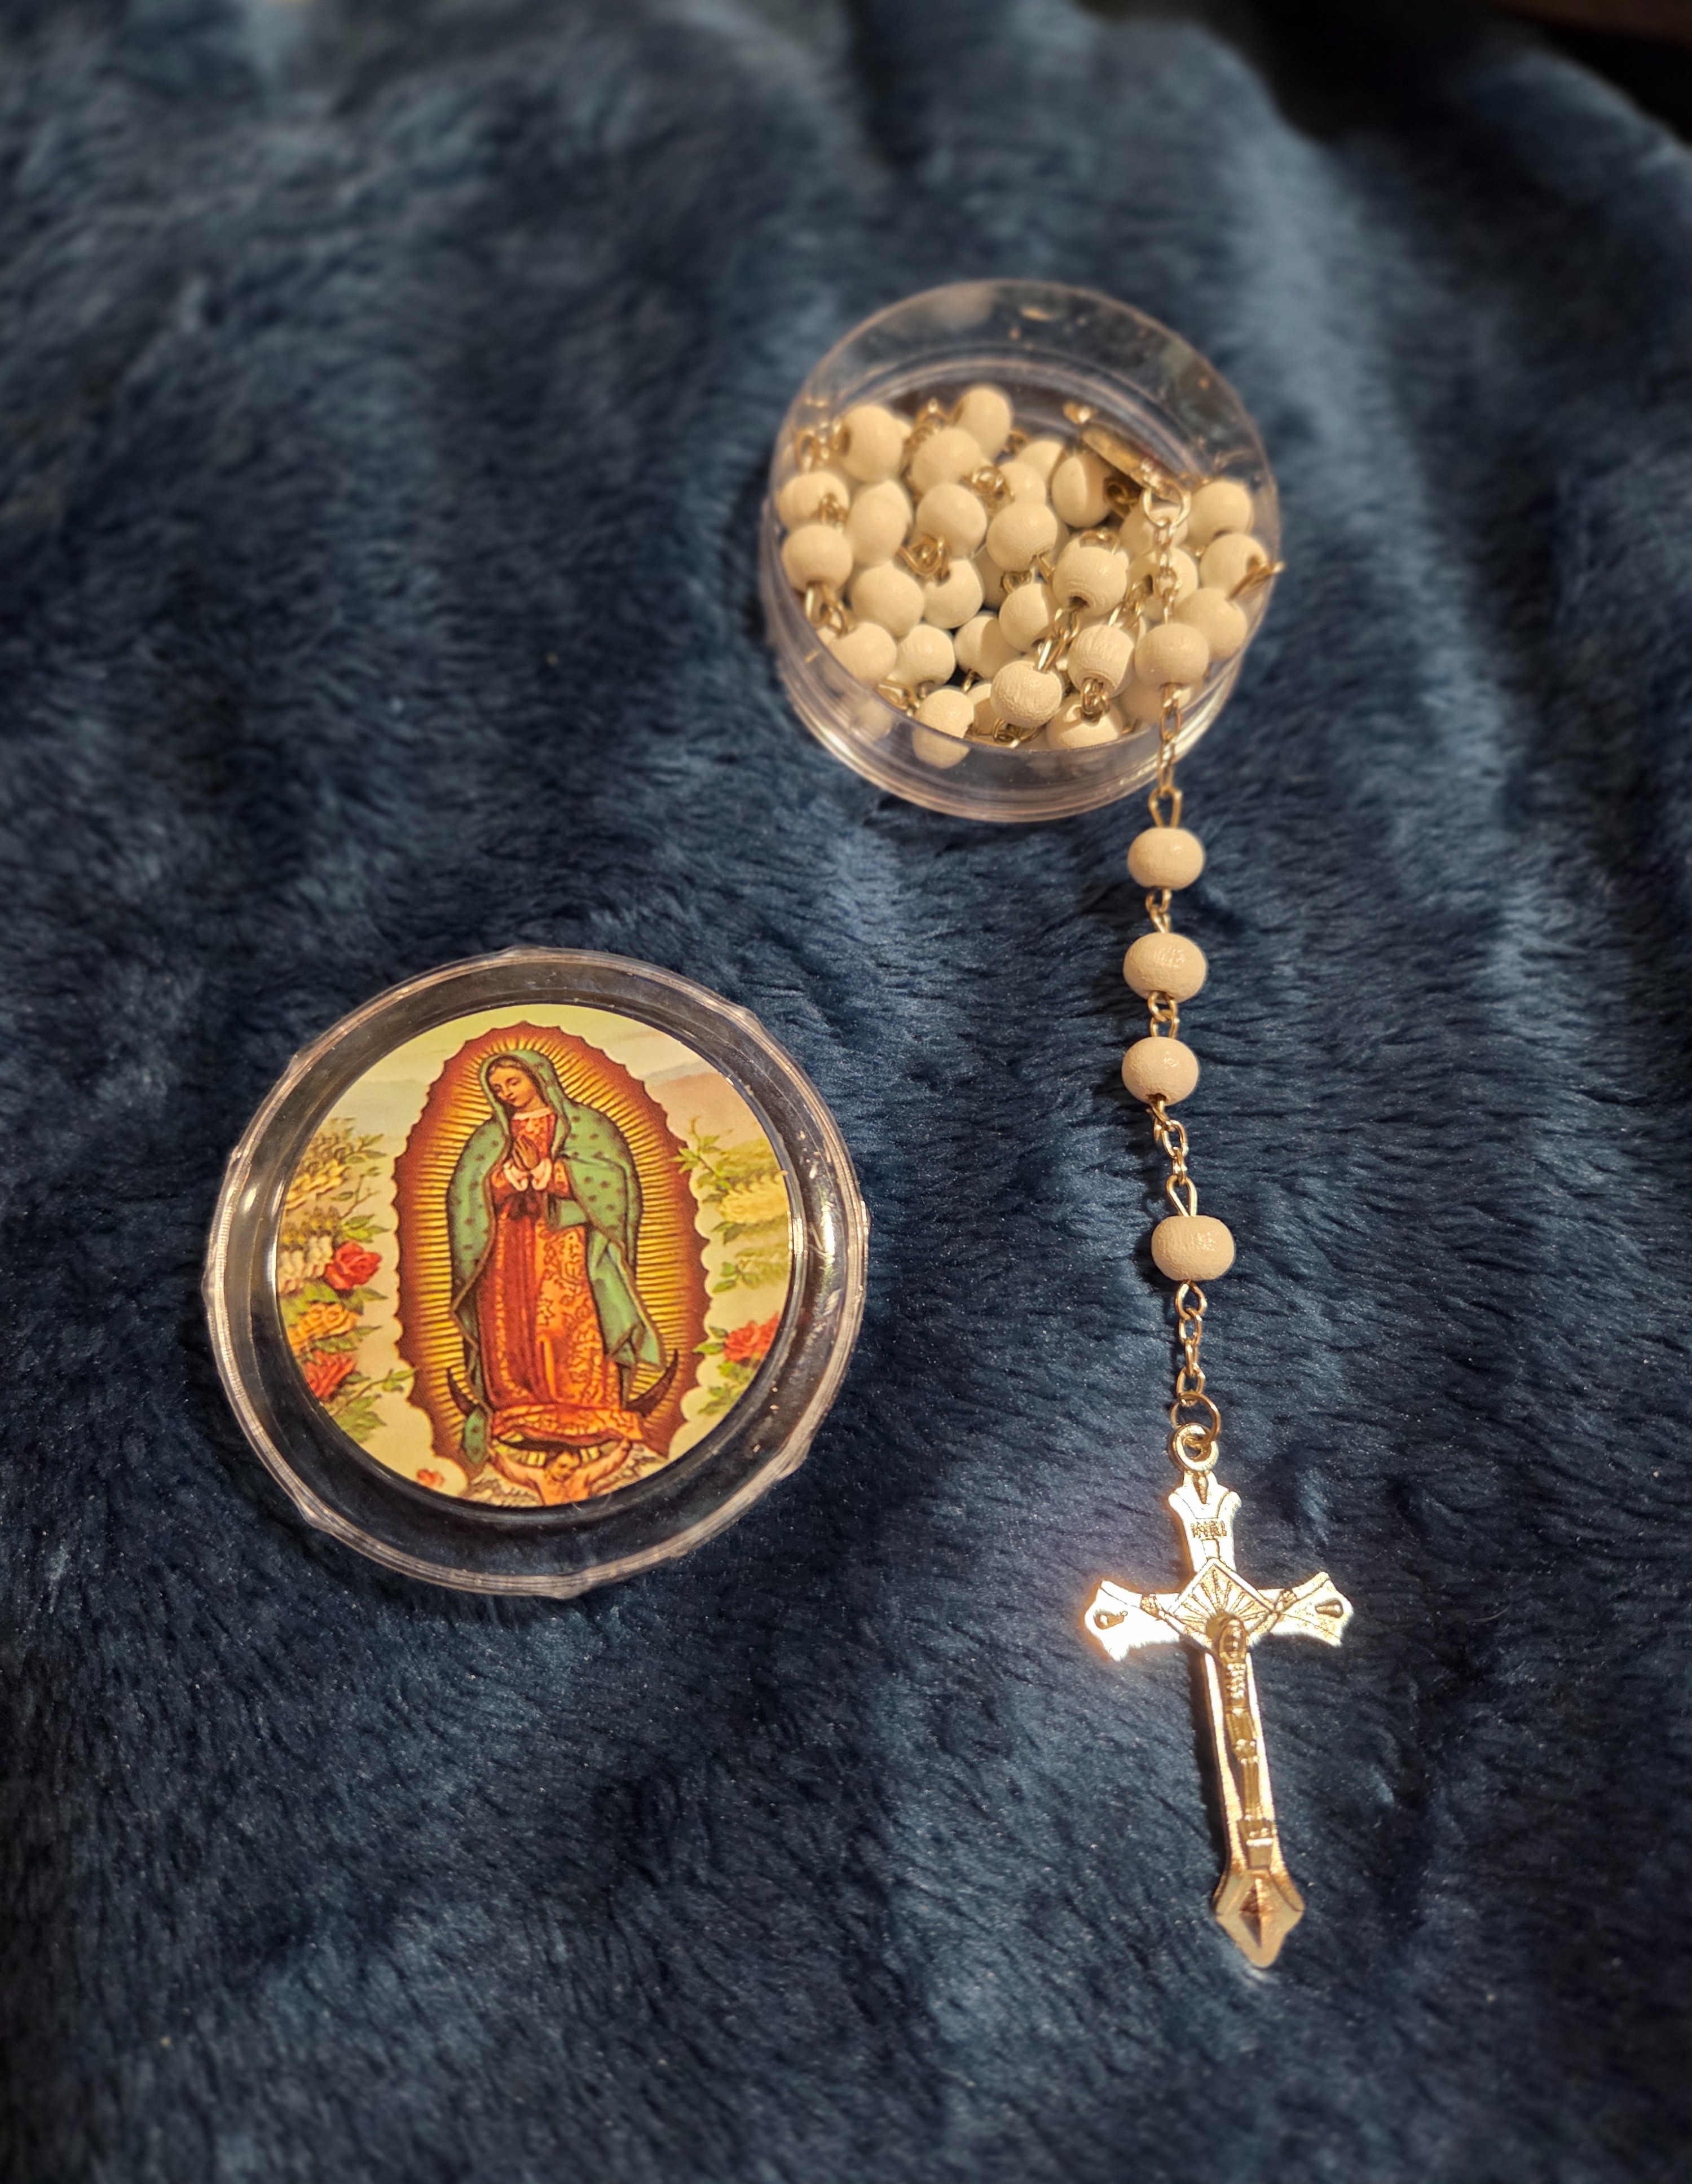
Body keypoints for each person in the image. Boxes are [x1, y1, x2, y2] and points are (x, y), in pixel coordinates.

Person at [446, 1049, 666, 1504]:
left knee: (568, 1319)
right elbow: (465, 1195)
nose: (507, 1093)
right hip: (507, 1248)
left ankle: (586, 1406)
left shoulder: (588, 1126)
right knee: (515, 1323)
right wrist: (507, 1178)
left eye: (514, 1082)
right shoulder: (489, 1137)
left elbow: (616, 1184)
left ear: (538, 1077)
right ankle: (516, 1405)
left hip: (568, 1243)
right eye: (499, 1088)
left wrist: (554, 1173)